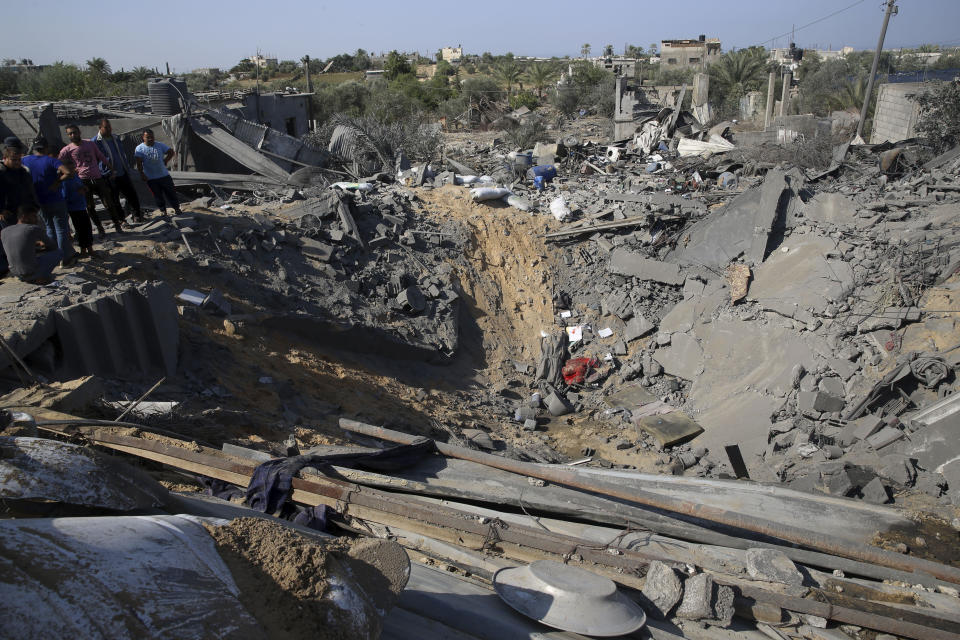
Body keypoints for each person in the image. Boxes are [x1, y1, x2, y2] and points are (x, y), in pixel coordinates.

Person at [58, 123, 124, 235]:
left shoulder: (90, 143)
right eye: (70, 134)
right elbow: (58, 163)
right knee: (90, 206)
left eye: (74, 132)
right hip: (83, 180)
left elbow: (100, 156)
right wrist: (69, 172)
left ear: (79, 132)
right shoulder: (67, 150)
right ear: (68, 136)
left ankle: (117, 225)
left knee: (108, 203)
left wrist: (111, 169)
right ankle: (100, 228)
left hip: (97, 177)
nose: (73, 135)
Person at [22, 137, 77, 266]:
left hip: (39, 201)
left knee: (49, 229)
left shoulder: (25, 160)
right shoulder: (51, 160)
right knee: (61, 229)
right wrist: (57, 182)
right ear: (46, 148)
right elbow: (68, 172)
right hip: (55, 199)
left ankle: (54, 257)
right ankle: (65, 258)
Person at [91, 118, 143, 222]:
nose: (109, 129)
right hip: (108, 175)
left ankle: (137, 215)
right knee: (114, 199)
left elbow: (121, 153)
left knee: (131, 194)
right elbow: (94, 159)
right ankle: (121, 220)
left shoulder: (115, 137)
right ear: (100, 128)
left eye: (109, 127)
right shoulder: (95, 142)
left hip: (122, 171)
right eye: (106, 127)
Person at [0, 144, 38, 275]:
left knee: (26, 240)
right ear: (5, 158)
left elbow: (30, 190)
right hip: (8, 214)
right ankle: (9, 267)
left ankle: (27, 265)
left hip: (24, 212)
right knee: (9, 243)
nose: (17, 162)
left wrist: (34, 206)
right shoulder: (2, 173)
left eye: (18, 159)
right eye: (13, 160)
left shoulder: (22, 172)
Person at [1, 206, 63, 284]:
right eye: (34, 216)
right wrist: (42, 248)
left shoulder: (4, 231)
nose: (36, 219)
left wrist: (33, 246)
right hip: (30, 271)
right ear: (24, 217)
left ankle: (29, 276)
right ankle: (39, 277)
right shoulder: (33, 228)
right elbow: (52, 246)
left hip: (14, 272)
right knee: (59, 252)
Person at [135, 129, 181, 216]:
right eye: (148, 137)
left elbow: (171, 152)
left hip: (164, 175)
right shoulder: (139, 148)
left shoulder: (159, 145)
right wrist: (142, 174)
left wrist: (166, 160)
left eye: (152, 137)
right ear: (143, 138)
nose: (150, 139)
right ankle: (163, 211)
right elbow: (139, 163)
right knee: (157, 195)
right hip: (151, 178)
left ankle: (177, 209)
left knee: (171, 193)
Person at [61, 159, 98, 259]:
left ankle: (90, 249)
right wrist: (78, 193)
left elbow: (81, 186)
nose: (73, 168)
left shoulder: (76, 177)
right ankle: (83, 250)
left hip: (82, 206)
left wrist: (84, 189)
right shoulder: (65, 181)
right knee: (80, 230)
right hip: (74, 209)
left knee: (87, 228)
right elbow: (65, 198)